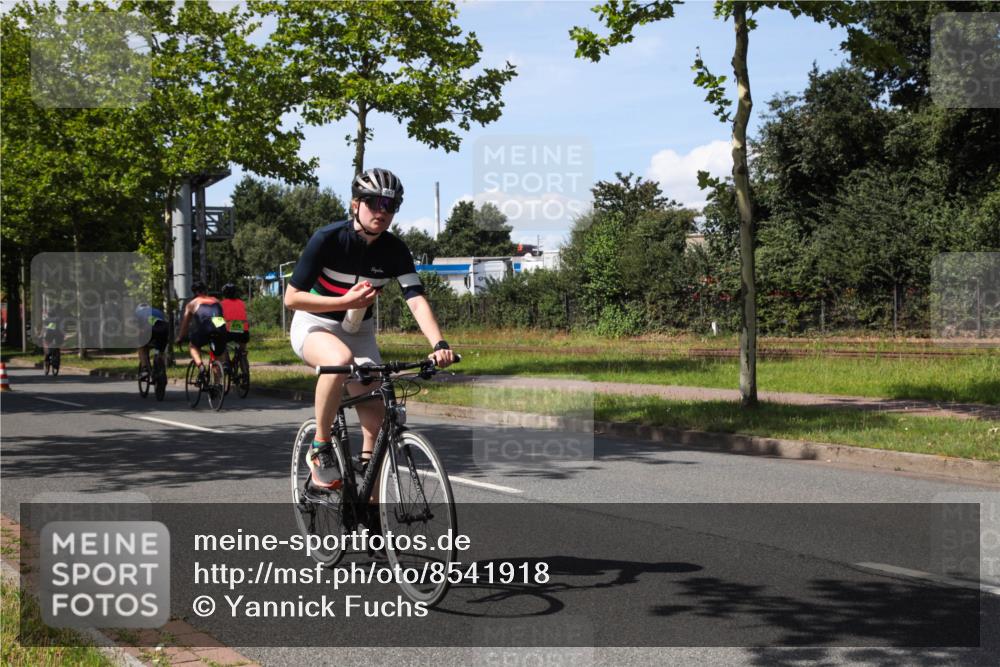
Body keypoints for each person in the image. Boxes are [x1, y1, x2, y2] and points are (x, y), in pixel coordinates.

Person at [284, 167, 456, 490]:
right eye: (374, 202)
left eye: (390, 206)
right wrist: (343, 299)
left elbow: (415, 299)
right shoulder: (327, 239)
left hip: (359, 333)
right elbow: (291, 299)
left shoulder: (394, 250)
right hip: (314, 323)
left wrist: (439, 343)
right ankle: (320, 448)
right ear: (354, 204)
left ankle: (369, 519)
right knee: (338, 359)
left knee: (377, 422)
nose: (382, 211)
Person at [176, 281, 228, 376]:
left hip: (206, 328)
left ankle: (201, 367)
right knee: (217, 356)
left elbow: (185, 325)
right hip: (220, 327)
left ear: (194, 293)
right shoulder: (216, 300)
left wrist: (180, 337)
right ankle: (217, 386)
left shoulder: (192, 304)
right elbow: (221, 316)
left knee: (193, 346)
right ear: (206, 291)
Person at [135, 303, 168, 378]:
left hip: (150, 330)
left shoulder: (138, 313)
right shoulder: (157, 311)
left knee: (141, 347)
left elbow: (140, 330)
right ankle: (161, 367)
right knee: (160, 350)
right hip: (164, 329)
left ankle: (145, 369)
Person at [220, 283, 249, 356]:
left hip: (228, 331)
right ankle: (243, 354)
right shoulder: (241, 303)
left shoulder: (221, 304)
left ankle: (225, 361)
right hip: (243, 331)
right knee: (242, 343)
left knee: (221, 344)